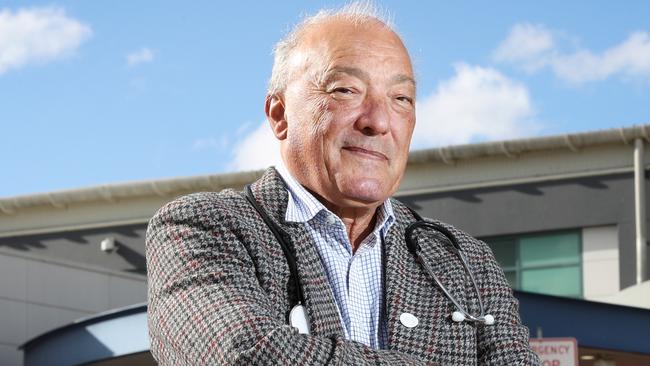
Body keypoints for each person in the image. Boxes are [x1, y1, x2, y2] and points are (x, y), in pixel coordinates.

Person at [146, 3, 540, 365]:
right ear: (280, 114)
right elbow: (244, 354)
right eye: (346, 90)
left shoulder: (462, 261)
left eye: (401, 98)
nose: (378, 121)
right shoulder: (200, 228)